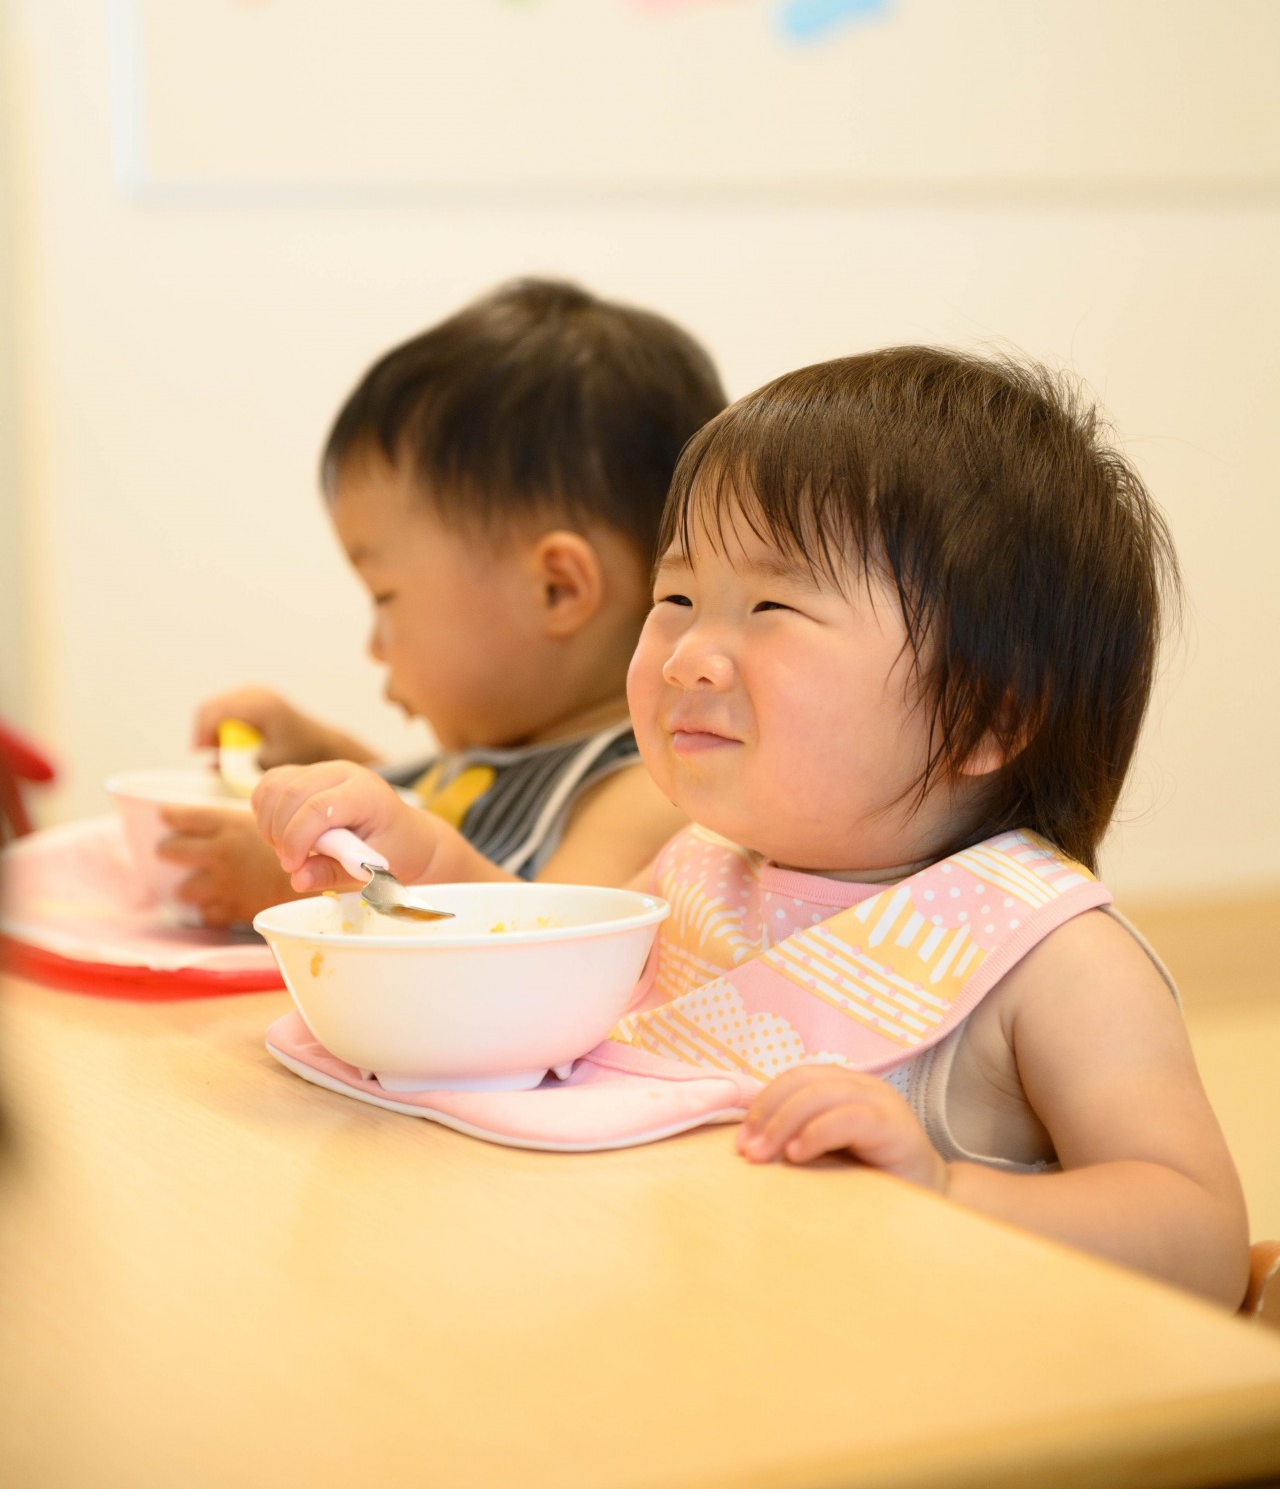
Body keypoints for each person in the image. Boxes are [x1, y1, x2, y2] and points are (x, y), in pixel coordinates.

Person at [250, 347, 1248, 1305]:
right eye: (676, 596)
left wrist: (948, 1196)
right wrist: (405, 855)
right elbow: (543, 965)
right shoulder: (697, 871)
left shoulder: (1049, 955)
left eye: (768, 604)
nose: (686, 654)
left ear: (987, 713)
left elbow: (1197, 1238)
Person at [159, 279, 726, 925]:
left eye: (385, 597)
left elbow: (548, 944)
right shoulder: (501, 748)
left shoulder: (650, 789)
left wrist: (318, 886)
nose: (374, 645)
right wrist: (314, 754)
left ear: (557, 589)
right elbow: (433, 814)